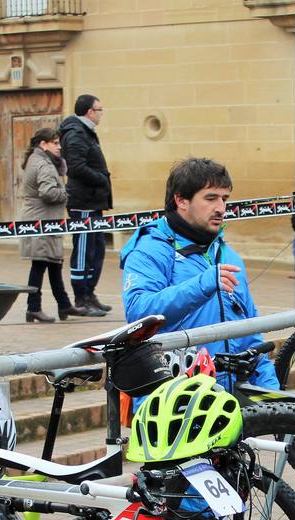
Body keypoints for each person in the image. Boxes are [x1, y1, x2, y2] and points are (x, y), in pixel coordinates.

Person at [121, 157, 278, 392]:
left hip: (226, 399)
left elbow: (251, 333)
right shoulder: (151, 248)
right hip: (173, 399)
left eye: (224, 198)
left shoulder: (228, 256)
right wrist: (203, 284)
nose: (221, 208)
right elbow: (138, 311)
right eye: (211, 198)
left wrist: (276, 399)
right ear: (181, 200)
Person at [18, 128, 101, 322]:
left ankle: (64, 306)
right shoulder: (43, 164)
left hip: (46, 222)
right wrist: (65, 194)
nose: (59, 146)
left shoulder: (39, 160)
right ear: (43, 144)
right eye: (55, 143)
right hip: (41, 222)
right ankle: (33, 307)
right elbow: (48, 192)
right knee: (39, 265)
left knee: (54, 264)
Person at [59, 94, 112, 314]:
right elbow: (76, 167)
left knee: (96, 249)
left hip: (94, 201)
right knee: (83, 250)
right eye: (99, 109)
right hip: (83, 202)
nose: (101, 113)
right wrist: (101, 178)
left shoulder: (87, 133)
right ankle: (81, 297)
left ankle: (90, 292)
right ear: (90, 112)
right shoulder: (76, 134)